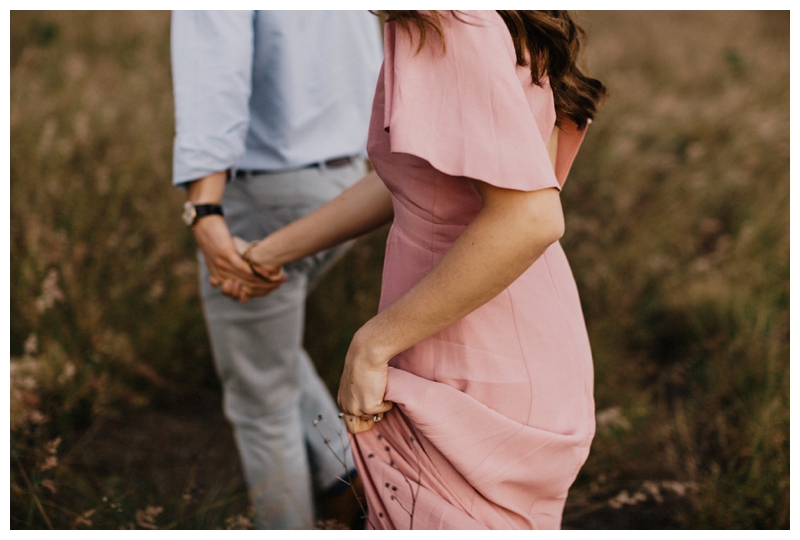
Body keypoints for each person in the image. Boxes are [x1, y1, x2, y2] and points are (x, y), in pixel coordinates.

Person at [235, 10, 606, 529]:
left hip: (475, 355)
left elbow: (531, 217)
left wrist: (372, 345)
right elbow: (419, 180)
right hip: (492, 331)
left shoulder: (449, 26)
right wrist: (273, 252)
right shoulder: (434, 21)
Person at [170, 11, 382, 529]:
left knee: (260, 404)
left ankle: (338, 493)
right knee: (268, 350)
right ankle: (346, 471)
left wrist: (204, 206)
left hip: (265, 196)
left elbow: (214, 73)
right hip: (350, 183)